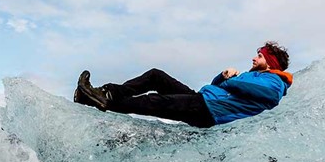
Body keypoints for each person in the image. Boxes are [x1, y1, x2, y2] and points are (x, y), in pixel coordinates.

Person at [74, 41, 293, 128]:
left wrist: (233, 80)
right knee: (156, 76)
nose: (254, 59)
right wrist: (222, 76)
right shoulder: (253, 75)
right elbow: (216, 86)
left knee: (154, 102)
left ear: (271, 62)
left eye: (260, 57)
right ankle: (105, 93)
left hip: (209, 111)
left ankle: (104, 103)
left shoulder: (274, 81)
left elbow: (269, 96)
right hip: (204, 99)